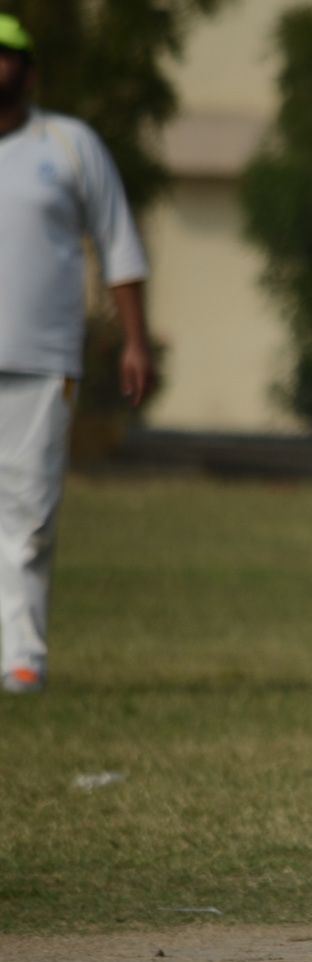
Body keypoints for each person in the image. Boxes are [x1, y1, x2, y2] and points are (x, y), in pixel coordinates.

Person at [0, 14, 153, 694]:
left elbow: (119, 243)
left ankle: (21, 658)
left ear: (29, 70)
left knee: (28, 516)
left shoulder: (69, 144)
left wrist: (135, 339)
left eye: (6, 54)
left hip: (43, 362)